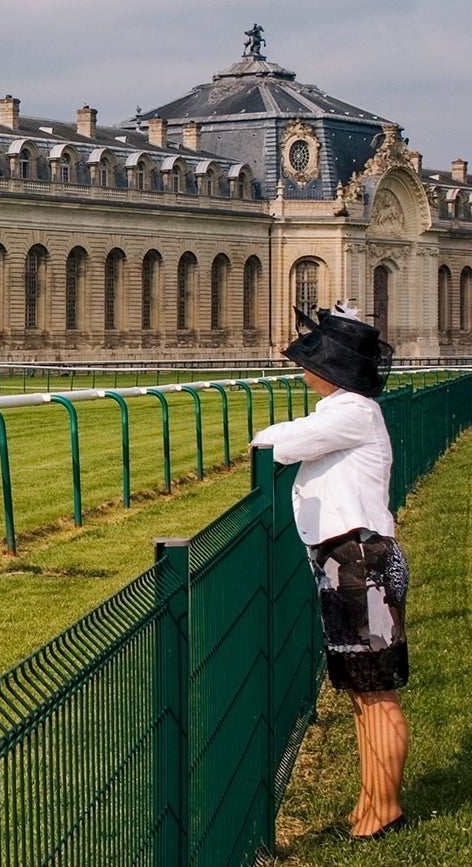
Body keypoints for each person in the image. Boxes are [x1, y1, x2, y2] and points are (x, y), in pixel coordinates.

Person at [252, 303, 407, 840]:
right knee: (363, 691)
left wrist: (265, 441)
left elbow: (277, 443)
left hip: (358, 561)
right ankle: (372, 800)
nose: (303, 368)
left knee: (374, 690)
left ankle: (384, 809)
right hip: (348, 561)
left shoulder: (351, 413)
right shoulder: (342, 411)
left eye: (310, 360)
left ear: (334, 366)